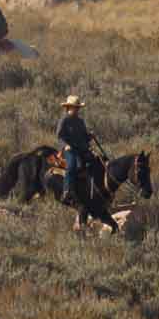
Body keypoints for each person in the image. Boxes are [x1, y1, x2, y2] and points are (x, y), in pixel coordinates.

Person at [57, 95, 103, 229]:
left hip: (82, 149)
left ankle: (96, 191)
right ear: (68, 107)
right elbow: (59, 136)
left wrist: (90, 136)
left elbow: (84, 137)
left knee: (97, 162)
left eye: (77, 108)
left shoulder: (80, 122)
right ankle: (67, 192)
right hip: (69, 149)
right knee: (71, 166)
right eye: (74, 108)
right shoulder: (64, 120)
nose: (76, 110)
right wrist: (65, 145)